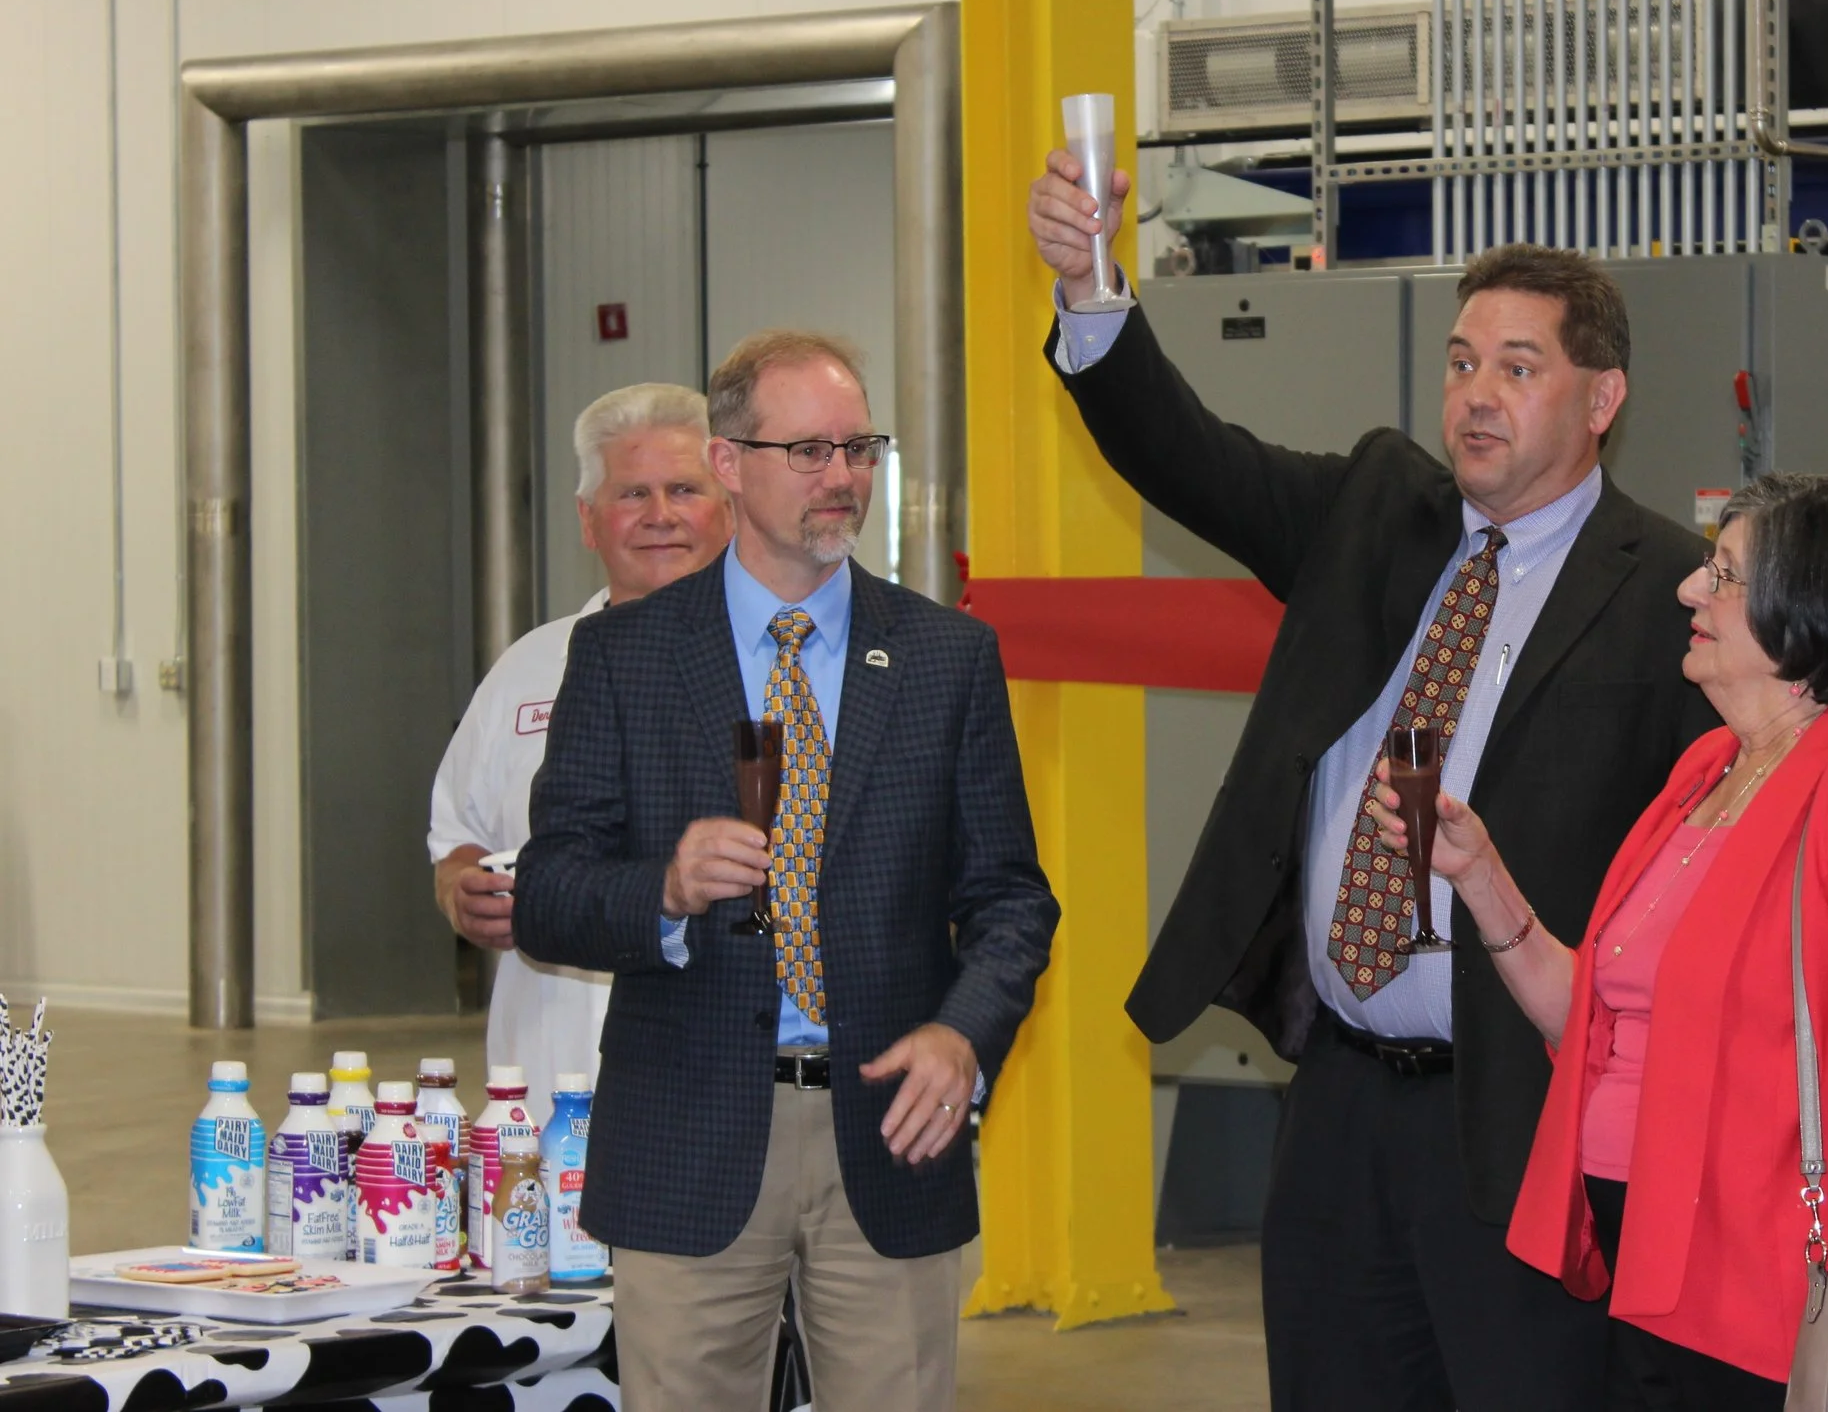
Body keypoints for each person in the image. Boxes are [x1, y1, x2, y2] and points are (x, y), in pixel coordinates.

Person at [1029, 155, 1718, 1409]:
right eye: (1461, 361)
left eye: (1519, 366)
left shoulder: (1672, 590)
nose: (1476, 396)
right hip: (1339, 1097)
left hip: (1521, 1114)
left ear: (1603, 393)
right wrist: (1091, 291)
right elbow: (1189, 456)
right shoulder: (1373, 511)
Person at [1373, 472, 1828, 1408]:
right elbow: (1588, 1016)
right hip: (1648, 1261)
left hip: (1775, 1285)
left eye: (1722, 573)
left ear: (1809, 615)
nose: (1690, 588)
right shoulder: (1708, 765)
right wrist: (1479, 874)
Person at [512, 330, 1059, 1412]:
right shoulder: (626, 657)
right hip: (689, 1132)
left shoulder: (947, 656)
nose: (843, 479)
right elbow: (547, 891)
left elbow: (1010, 899)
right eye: (808, 451)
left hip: (889, 1137)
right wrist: (662, 889)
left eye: (859, 447)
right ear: (730, 462)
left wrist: (963, 1034)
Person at [429, 381, 734, 1122]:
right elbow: (456, 838)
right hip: (542, 1088)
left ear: (731, 503)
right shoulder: (528, 669)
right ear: (587, 520)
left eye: (684, 489)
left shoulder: (782, 665)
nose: (660, 516)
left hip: (719, 1088)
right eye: (631, 493)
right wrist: (460, 892)